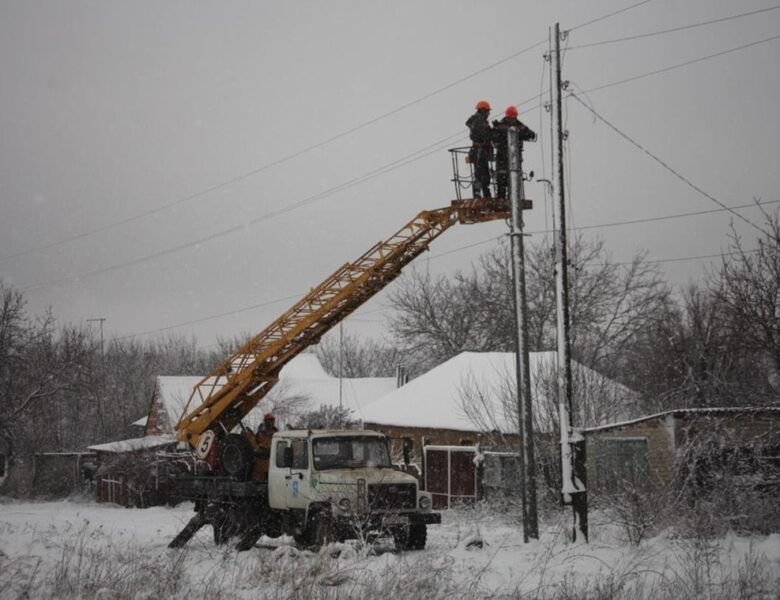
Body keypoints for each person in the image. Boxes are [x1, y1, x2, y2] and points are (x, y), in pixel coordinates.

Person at [492, 105, 537, 200]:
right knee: (503, 178)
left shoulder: (515, 126)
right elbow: (494, 138)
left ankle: (510, 198)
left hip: (511, 157)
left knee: (510, 179)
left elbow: (530, 134)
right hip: (505, 157)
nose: (512, 119)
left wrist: (524, 133)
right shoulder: (503, 126)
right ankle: (503, 198)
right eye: (511, 117)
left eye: (513, 117)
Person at [465, 100, 494, 198]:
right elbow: (486, 134)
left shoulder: (477, 121)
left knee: (482, 173)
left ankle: (482, 193)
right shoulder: (480, 121)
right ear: (483, 111)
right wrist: (494, 132)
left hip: (479, 150)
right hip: (480, 150)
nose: (488, 113)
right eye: (487, 111)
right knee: (481, 173)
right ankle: (482, 193)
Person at [255, 412, 278, 479]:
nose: (272, 422)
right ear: (266, 421)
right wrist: (268, 446)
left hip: (272, 457)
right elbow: (261, 442)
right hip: (262, 456)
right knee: (260, 475)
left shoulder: (275, 430)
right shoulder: (262, 431)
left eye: (273, 420)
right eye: (270, 420)